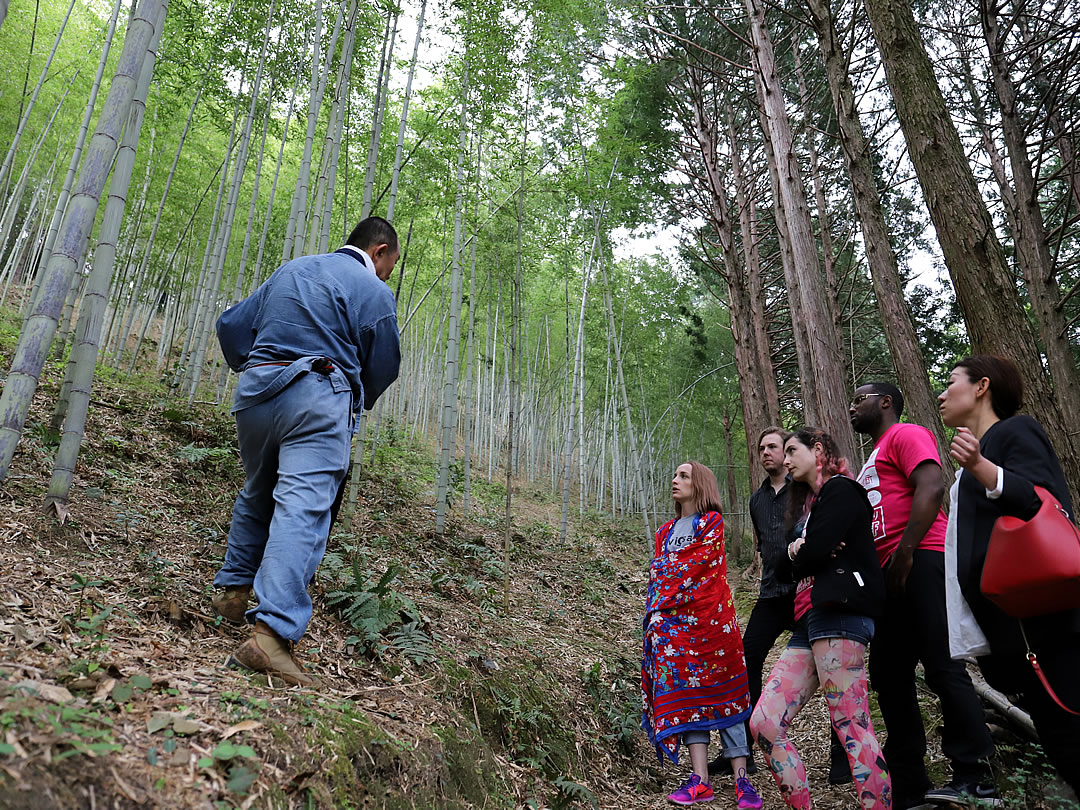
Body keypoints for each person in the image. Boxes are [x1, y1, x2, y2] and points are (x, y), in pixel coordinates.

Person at [209, 217, 402, 686]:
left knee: (258, 490)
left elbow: (231, 325)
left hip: (256, 391)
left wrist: (255, 364)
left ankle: (232, 593)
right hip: (318, 395)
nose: (387, 275)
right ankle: (271, 638)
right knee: (301, 506)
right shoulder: (372, 290)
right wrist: (355, 397)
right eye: (390, 265)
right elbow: (384, 365)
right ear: (379, 251)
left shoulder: (292, 269)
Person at [939, 355, 1080, 798]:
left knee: (1071, 741)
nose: (941, 394)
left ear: (982, 386)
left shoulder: (1016, 431)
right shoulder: (973, 456)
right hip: (1017, 634)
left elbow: (1044, 504)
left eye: (950, 383)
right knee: (1063, 744)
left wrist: (983, 468)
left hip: (1049, 627)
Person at [849, 382, 996, 808]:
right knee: (890, 677)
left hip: (921, 560)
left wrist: (906, 551)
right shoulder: (872, 457)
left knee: (942, 666)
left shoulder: (906, 433)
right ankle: (910, 785)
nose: (853, 406)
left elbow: (932, 487)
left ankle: (976, 776)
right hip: (889, 577)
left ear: (886, 402)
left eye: (860, 399)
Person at [750, 428, 891, 810]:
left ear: (818, 450)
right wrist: (801, 551)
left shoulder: (842, 491)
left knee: (851, 725)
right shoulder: (808, 509)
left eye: (792, 450)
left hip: (842, 616)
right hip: (809, 623)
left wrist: (805, 552)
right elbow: (782, 565)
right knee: (764, 722)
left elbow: (813, 554)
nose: (787, 459)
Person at [713, 427, 851, 784]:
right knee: (748, 658)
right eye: (761, 448)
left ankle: (841, 757)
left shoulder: (804, 488)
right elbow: (763, 544)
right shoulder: (757, 499)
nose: (766, 453)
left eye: (773, 447)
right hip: (772, 592)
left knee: (827, 668)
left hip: (807, 591)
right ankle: (742, 750)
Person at [642, 461, 763, 808]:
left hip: (713, 627)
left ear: (701, 484)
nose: (675, 480)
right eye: (676, 475)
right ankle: (700, 779)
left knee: (728, 696)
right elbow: (662, 576)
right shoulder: (664, 532)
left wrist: (664, 571)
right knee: (689, 699)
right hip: (675, 631)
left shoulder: (711, 523)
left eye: (684, 475)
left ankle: (742, 779)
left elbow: (696, 568)